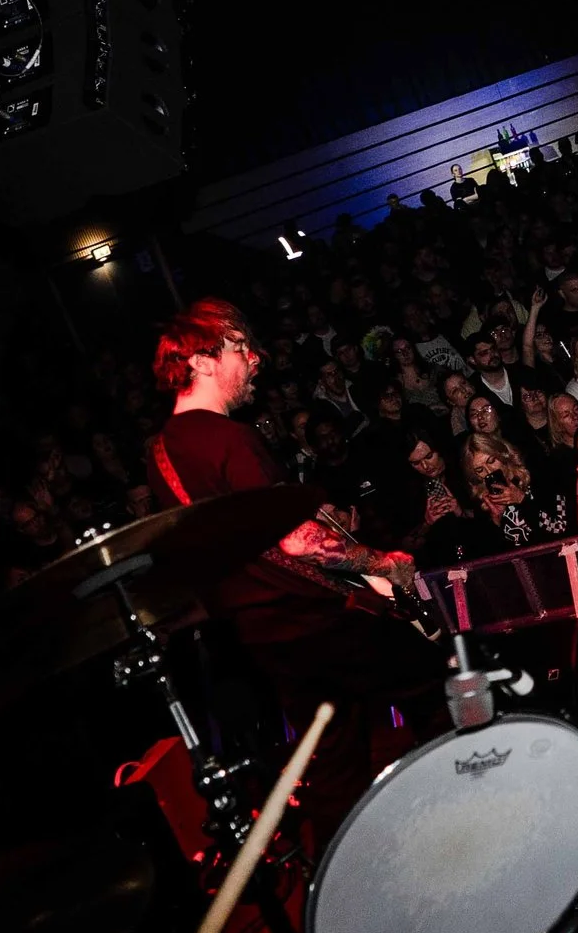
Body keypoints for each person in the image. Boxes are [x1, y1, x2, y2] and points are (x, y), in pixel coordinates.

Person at [142, 298, 439, 856]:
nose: (254, 357)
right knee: (433, 682)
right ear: (201, 361)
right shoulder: (228, 437)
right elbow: (297, 540)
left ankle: (343, 892)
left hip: (261, 633)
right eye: (237, 346)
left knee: (333, 762)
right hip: (313, 619)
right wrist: (384, 563)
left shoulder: (162, 451)